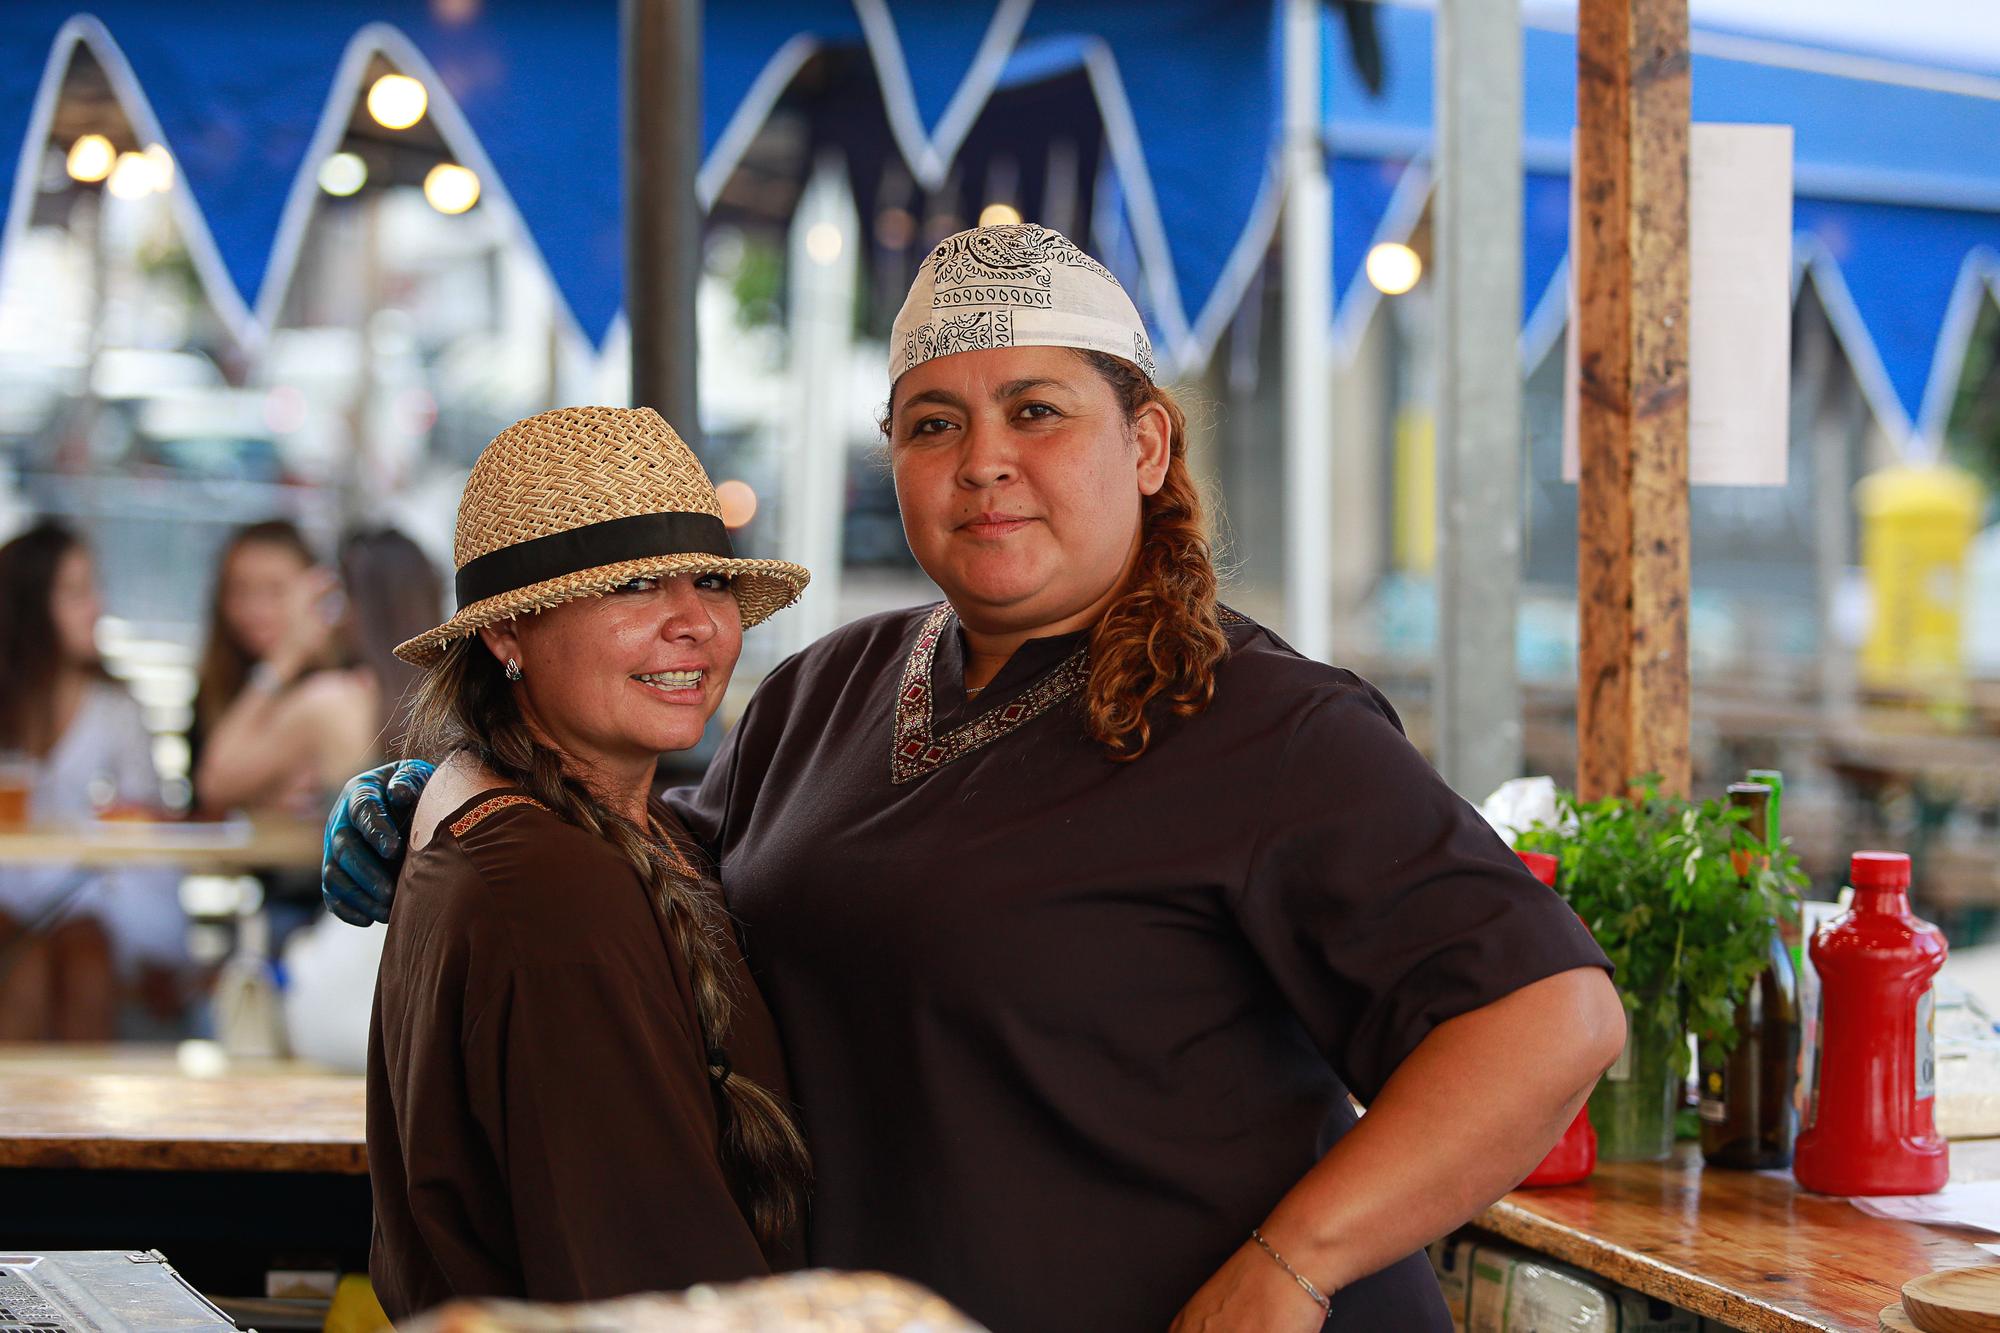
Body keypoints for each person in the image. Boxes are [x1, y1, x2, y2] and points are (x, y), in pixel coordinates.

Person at [326, 225, 1625, 1331]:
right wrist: (459, 786)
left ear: (1150, 446)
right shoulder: (824, 689)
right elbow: (651, 881)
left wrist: (1294, 1268)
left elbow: (1549, 1019)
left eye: (1039, 411)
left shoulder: (1265, 723)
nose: (984, 459)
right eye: (934, 423)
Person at [363, 406, 812, 1319]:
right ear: (505, 633)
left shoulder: (580, 825)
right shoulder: (554, 887)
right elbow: (657, 1292)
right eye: (638, 584)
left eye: (712, 582)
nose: (695, 623)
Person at [0, 521, 183, 1039]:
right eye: (75, 592)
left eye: (93, 587)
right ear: (30, 604)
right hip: (11, 891)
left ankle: (73, 1117)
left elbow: (149, 822)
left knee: (87, 958)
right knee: (25, 965)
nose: (97, 606)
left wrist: (166, 950)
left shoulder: (115, 707)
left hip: (87, 897)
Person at [191, 520, 376, 817]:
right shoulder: (217, 678)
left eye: (275, 591)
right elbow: (201, 796)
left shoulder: (344, 678)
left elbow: (215, 781)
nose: (255, 609)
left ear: (316, 591)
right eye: (239, 590)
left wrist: (284, 660)